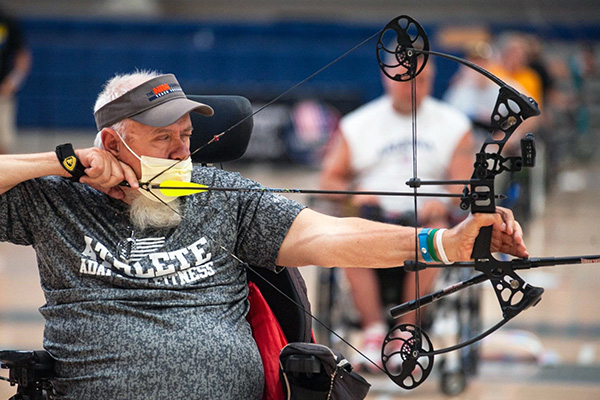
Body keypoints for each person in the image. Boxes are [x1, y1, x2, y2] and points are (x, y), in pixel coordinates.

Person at [0, 71, 527, 399]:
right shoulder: (56, 199)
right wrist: (57, 162)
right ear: (113, 143)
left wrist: (445, 244)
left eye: (187, 137)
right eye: (165, 140)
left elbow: (328, 235)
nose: (184, 153)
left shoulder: (221, 193)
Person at [319, 62, 475, 370]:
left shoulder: (454, 125)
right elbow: (328, 181)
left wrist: (443, 201)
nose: (415, 87)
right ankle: (374, 331)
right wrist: (355, 192)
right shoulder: (358, 124)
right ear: (387, 78)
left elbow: (463, 187)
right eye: (406, 80)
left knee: (437, 232)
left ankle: (406, 332)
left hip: (426, 217)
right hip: (374, 216)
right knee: (348, 236)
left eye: (424, 80)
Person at [0, 7, 31, 154]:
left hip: (2, 93)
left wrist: (13, 82)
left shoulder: (7, 22)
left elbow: (22, 55)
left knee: (3, 141)